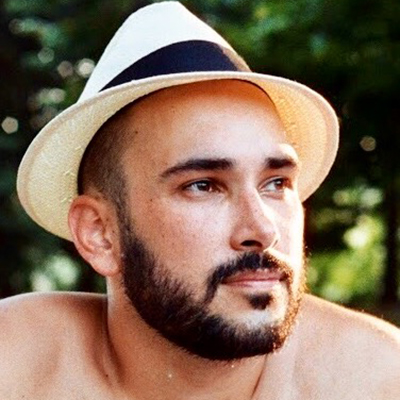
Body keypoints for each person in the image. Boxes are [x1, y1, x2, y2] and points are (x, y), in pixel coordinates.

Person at [1, 2, 399, 399]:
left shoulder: (377, 380)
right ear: (100, 233)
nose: (263, 230)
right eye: (203, 186)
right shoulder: (17, 366)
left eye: (276, 183)